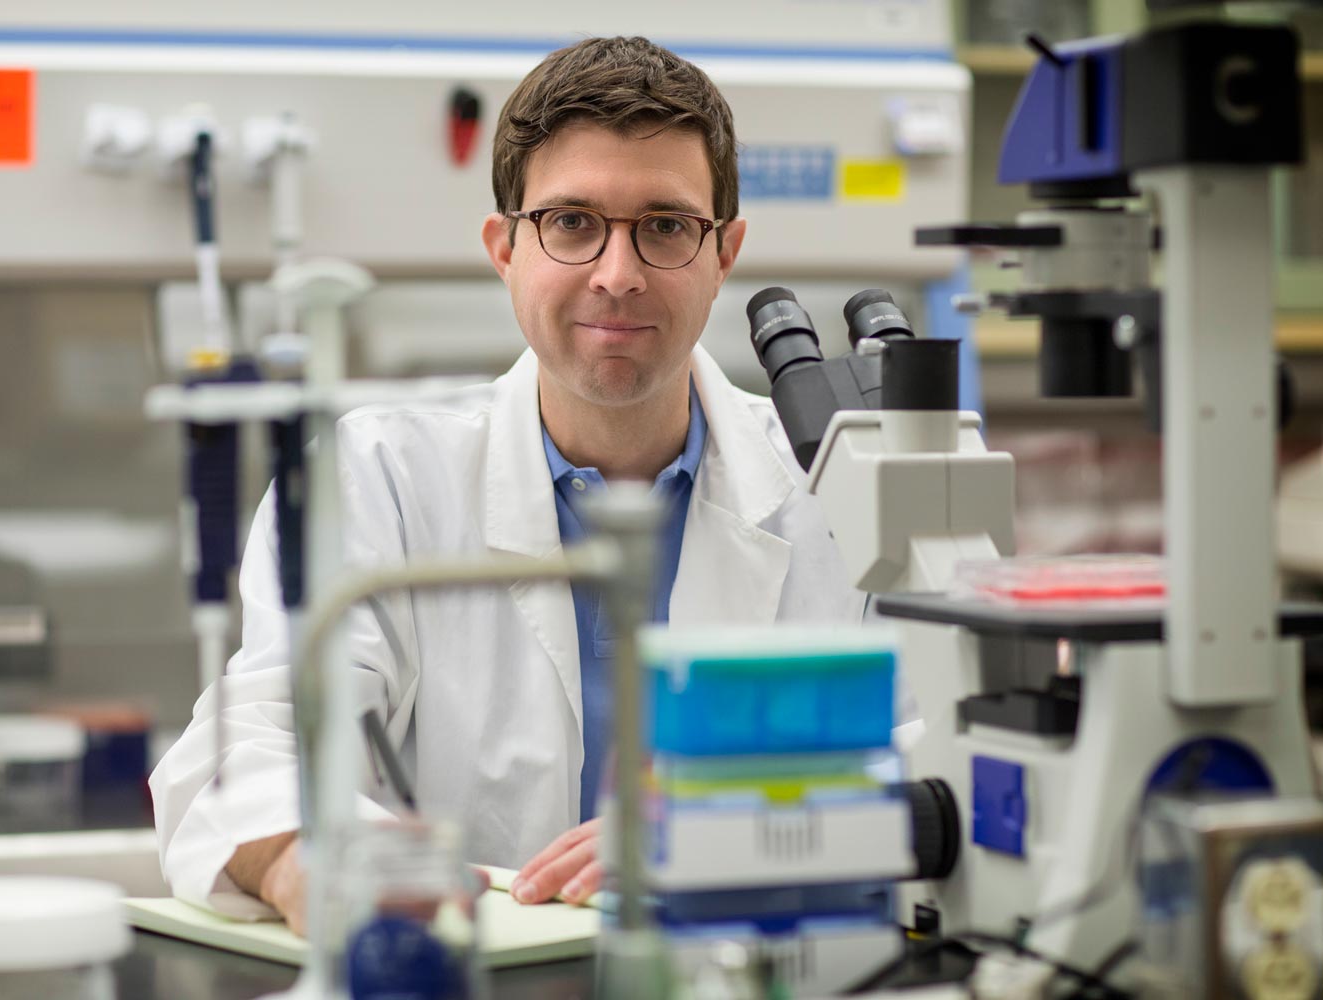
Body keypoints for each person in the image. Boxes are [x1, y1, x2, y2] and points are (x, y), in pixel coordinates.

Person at [149, 35, 863, 933]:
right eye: (571, 223)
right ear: (503, 248)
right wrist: (312, 863)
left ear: (725, 253)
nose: (617, 273)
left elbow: (942, 757)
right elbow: (247, 746)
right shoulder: (380, 477)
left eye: (667, 226)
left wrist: (739, 830)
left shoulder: (837, 480)